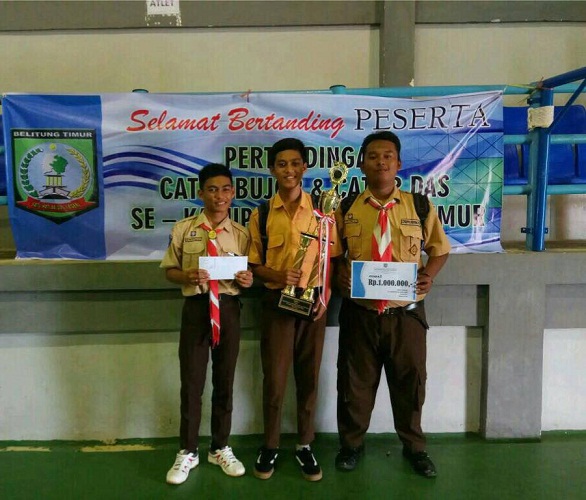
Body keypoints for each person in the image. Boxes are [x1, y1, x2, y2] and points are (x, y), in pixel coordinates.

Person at [333, 131, 450, 478]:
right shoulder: (346, 208)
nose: (380, 162)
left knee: (410, 383)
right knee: (353, 384)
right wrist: (340, 274)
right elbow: (334, 252)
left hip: (406, 315)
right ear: (361, 164)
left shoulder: (420, 206)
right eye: (372, 156)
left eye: (387, 156)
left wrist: (429, 275)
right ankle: (351, 445)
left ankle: (415, 448)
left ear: (398, 163)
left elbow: (439, 250)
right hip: (361, 313)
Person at [247, 137, 342, 482]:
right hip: (276, 304)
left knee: (308, 377)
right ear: (272, 170)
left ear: (305, 167)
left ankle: (304, 444)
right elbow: (253, 264)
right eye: (281, 164)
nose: (289, 170)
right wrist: (276, 275)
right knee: (274, 379)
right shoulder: (260, 214)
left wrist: (325, 296)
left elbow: (332, 259)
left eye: (295, 163)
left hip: (314, 305)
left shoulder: (323, 211)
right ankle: (270, 444)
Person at [160, 163, 253, 485]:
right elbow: (169, 270)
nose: (219, 195)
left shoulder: (242, 234)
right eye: (212, 189)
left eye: (225, 189)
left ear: (233, 193)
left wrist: (247, 279)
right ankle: (188, 450)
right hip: (196, 309)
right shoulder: (184, 229)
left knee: (225, 381)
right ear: (201, 193)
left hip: (228, 309)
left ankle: (219, 447)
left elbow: (248, 276)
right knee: (192, 382)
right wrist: (185, 275)